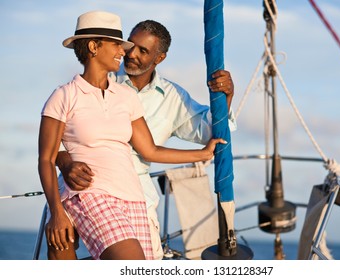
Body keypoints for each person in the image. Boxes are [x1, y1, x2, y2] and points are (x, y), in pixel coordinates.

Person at [38, 11, 226, 260]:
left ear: (159, 58)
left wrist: (204, 150)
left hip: (134, 197)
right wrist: (57, 210)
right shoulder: (65, 95)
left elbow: (150, 150)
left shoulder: (131, 98)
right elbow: (48, 156)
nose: (125, 52)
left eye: (139, 50)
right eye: (119, 44)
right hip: (90, 192)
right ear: (94, 47)